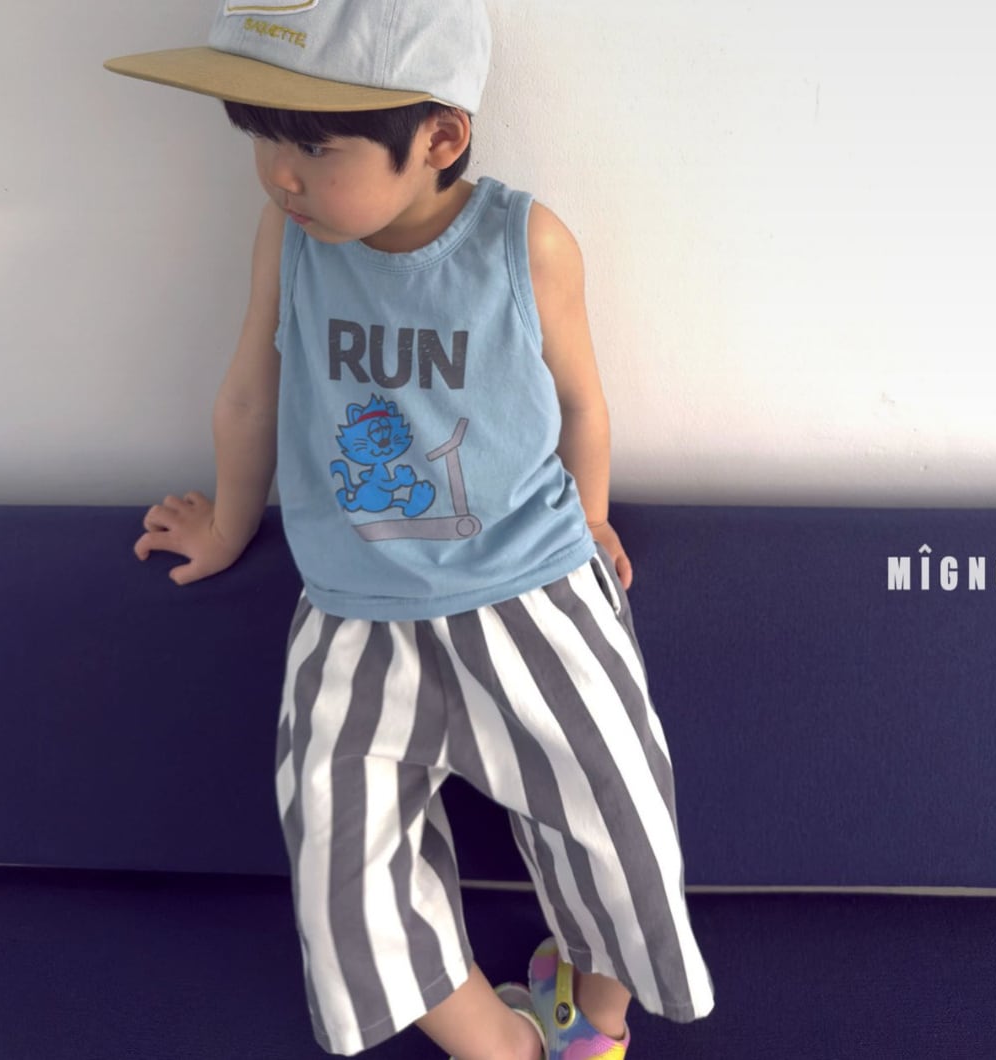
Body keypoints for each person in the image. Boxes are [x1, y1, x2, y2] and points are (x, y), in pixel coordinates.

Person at [106, 2, 714, 1057]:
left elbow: (581, 400)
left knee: (619, 822)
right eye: (260, 136)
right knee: (339, 867)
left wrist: (592, 516)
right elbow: (251, 392)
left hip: (530, 590)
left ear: (439, 137)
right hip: (354, 612)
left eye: (314, 146)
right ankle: (499, 1044)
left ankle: (595, 1018)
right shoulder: (290, 242)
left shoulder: (525, 242)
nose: (280, 175)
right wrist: (229, 524)